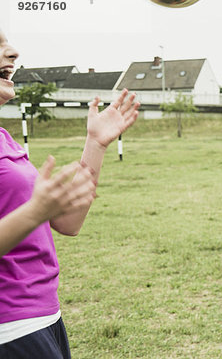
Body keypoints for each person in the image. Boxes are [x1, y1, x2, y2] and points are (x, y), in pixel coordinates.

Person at [0, 29, 140, 358]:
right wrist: (35, 211)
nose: (13, 52)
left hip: (44, 315)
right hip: (10, 328)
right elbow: (37, 213)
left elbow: (68, 222)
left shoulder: (5, 139)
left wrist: (95, 144)